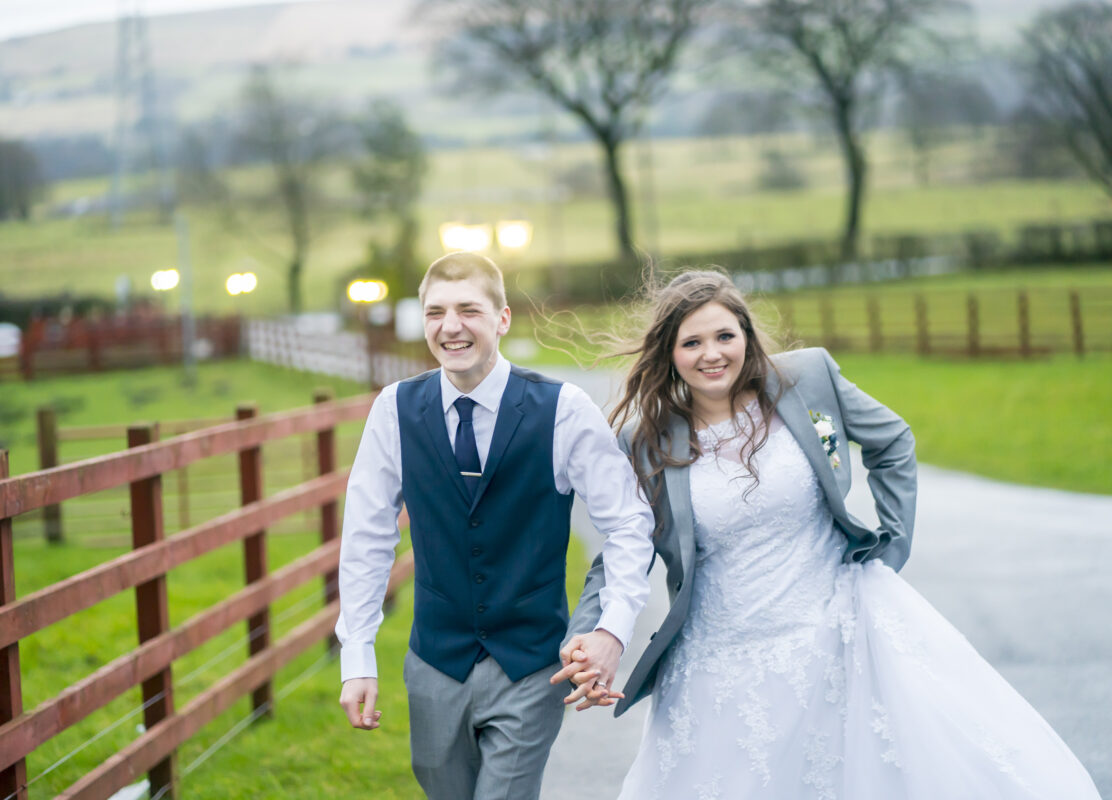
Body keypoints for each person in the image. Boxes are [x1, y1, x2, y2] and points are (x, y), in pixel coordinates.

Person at [559, 270, 1101, 798]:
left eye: (725, 335)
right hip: (717, 659)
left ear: (746, 336)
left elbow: (891, 442)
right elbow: (624, 545)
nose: (712, 354)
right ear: (669, 354)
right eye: (691, 342)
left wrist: (891, 545)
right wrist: (593, 633)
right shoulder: (647, 441)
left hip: (836, 629)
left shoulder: (807, 381)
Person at [334, 252, 655, 800]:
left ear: (502, 318)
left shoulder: (563, 409)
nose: (450, 326)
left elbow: (629, 524)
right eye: (435, 312)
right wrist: (357, 653)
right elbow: (367, 534)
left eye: (468, 310)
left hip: (530, 666)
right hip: (435, 660)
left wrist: (611, 630)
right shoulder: (394, 410)